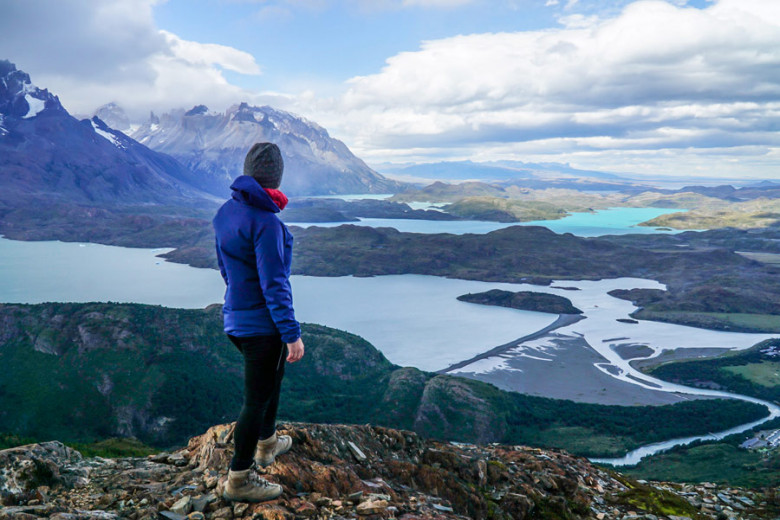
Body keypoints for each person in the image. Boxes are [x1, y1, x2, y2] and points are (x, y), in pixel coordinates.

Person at [212, 142, 305, 503]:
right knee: (255, 399)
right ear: (276, 177)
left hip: (236, 318)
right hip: (262, 327)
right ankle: (239, 479)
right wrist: (291, 333)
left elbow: (225, 268)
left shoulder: (225, 212)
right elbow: (275, 283)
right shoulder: (267, 222)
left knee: (272, 379)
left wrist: (239, 301)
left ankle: (267, 443)